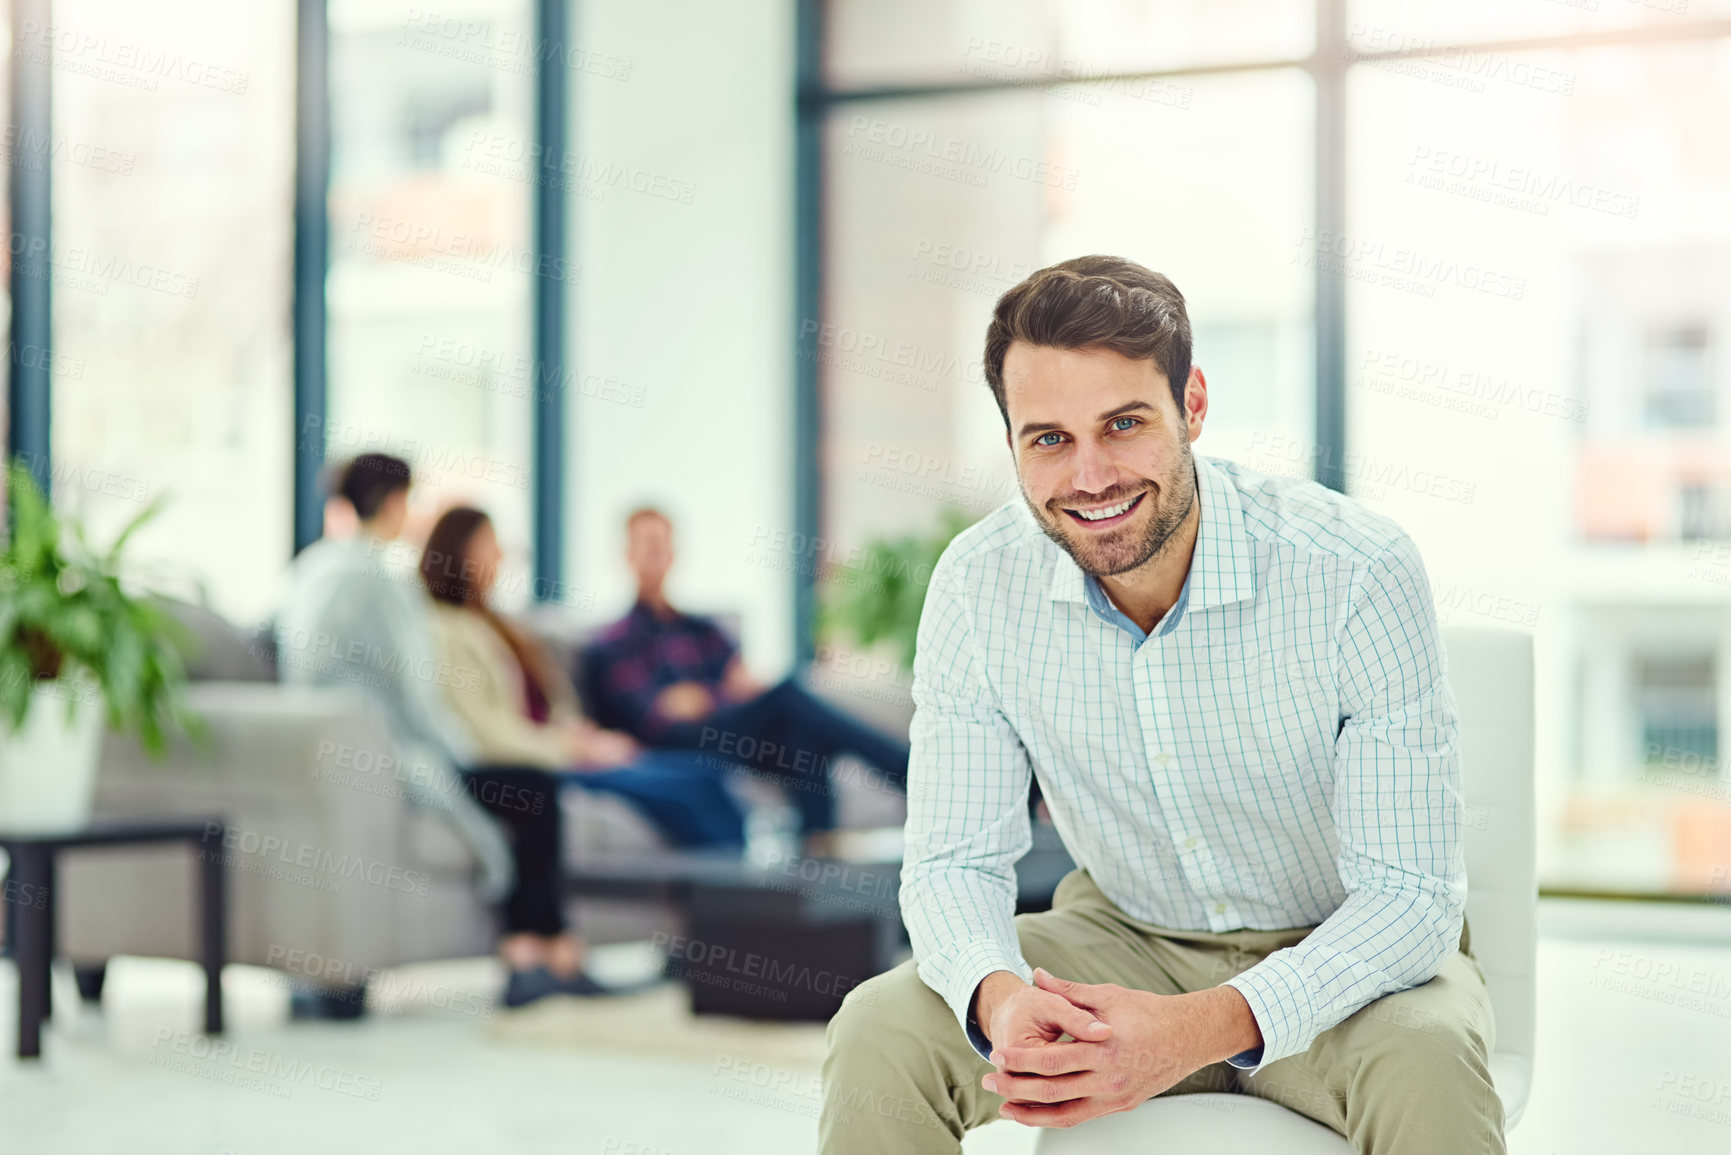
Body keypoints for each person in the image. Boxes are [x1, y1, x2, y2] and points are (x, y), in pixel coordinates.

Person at [819, 256, 1503, 1154]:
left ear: (1194, 406)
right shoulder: (977, 584)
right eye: (1048, 438)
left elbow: (1409, 898)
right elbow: (953, 861)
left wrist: (1193, 1028)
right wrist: (1003, 996)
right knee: (882, 1028)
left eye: (1124, 423)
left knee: (1429, 1055)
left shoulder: (1354, 570)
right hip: (1124, 937)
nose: (1090, 475)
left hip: (1346, 961)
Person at [277, 454, 603, 1008]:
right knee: (534, 789)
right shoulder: (378, 579)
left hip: (340, 747)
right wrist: (461, 751)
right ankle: (531, 953)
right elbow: (415, 692)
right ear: (396, 502)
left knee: (526, 786)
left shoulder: (313, 569)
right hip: (396, 750)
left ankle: (549, 948)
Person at [417, 506, 747, 850]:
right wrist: (571, 748)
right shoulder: (445, 630)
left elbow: (551, 707)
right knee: (689, 793)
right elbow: (485, 733)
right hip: (542, 762)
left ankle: (752, 897)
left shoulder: (504, 627)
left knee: (706, 776)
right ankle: (733, 896)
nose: (501, 556)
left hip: (568, 746)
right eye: (489, 545)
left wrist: (580, 734)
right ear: (457, 552)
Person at [583, 507, 910, 848]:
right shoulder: (614, 640)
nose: (657, 555)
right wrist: (717, 695)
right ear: (627, 555)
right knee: (787, 697)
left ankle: (815, 863)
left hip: (726, 732)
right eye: (647, 546)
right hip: (673, 746)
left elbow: (741, 685)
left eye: (663, 545)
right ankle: (905, 769)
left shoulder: (703, 629)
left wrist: (702, 697)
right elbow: (655, 717)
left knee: (804, 739)